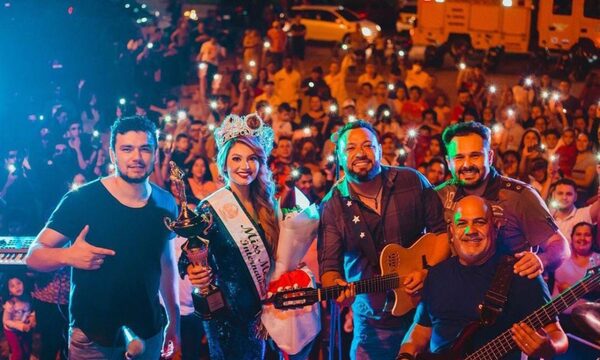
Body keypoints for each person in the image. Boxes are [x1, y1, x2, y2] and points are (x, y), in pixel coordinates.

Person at [25, 116, 180, 359]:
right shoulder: (82, 200)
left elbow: (167, 264)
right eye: (127, 149)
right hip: (92, 337)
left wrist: (174, 319)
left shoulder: (166, 202)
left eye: (145, 149)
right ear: (113, 154)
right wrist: (67, 256)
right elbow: (34, 256)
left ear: (155, 153)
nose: (136, 158)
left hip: (149, 331)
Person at [181, 114, 314, 359]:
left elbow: (279, 259)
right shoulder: (210, 209)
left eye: (252, 158)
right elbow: (190, 259)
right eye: (237, 159)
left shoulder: (268, 205)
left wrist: (269, 310)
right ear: (224, 164)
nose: (245, 166)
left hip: (265, 312)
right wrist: (194, 271)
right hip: (226, 317)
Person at [318, 120, 450, 359]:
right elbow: (329, 267)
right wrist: (336, 287)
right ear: (339, 157)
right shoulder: (332, 205)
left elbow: (442, 233)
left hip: (425, 315)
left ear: (379, 150)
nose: (360, 153)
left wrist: (427, 272)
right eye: (350, 148)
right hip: (373, 325)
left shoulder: (411, 181)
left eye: (368, 145)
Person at [398, 196, 568, 360]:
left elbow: (558, 335)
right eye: (461, 223)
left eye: (479, 222)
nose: (470, 231)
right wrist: (405, 355)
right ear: (451, 231)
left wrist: (548, 346)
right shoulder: (437, 274)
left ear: (495, 227)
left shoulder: (521, 274)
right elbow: (421, 330)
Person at [436, 122, 570, 276]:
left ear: (490, 156)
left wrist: (542, 260)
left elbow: (560, 246)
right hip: (457, 291)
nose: (467, 165)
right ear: (448, 162)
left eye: (475, 155)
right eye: (459, 157)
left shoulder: (520, 196)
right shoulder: (440, 195)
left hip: (509, 292)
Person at [3, 274, 35, 360]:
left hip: (23, 328)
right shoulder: (10, 304)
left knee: (27, 349)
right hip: (11, 330)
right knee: (17, 352)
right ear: (9, 291)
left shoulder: (29, 296)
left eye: (18, 283)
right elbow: (6, 321)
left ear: (23, 283)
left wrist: (31, 317)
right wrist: (21, 326)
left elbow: (32, 310)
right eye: (12, 286)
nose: (17, 287)